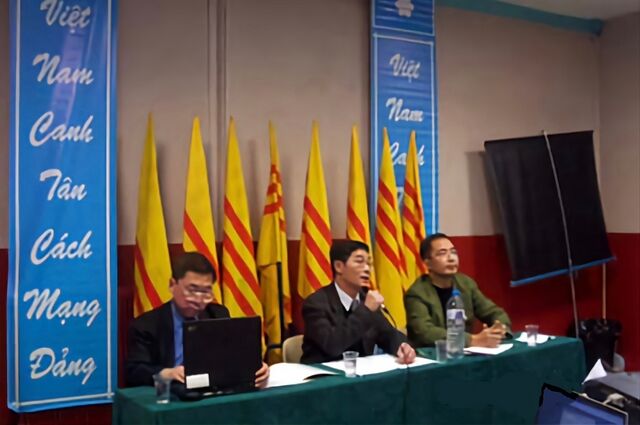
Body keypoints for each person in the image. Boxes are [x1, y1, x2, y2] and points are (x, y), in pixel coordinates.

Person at [125, 252, 269, 387]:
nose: (198, 299)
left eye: (206, 291)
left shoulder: (217, 314)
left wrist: (256, 367)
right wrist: (167, 373)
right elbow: (134, 371)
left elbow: (233, 356)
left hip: (210, 389)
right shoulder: (147, 325)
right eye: (192, 290)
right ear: (172, 285)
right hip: (172, 391)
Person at [301, 240, 416, 364]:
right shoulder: (316, 304)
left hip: (362, 373)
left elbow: (389, 335)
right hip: (323, 373)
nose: (367, 269)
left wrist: (402, 346)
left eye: (369, 263)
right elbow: (332, 345)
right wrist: (365, 310)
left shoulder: (365, 298)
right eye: (359, 262)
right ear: (339, 266)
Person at [405, 233, 511, 348]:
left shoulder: (465, 284)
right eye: (442, 253)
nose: (451, 258)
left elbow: (493, 312)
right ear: (427, 263)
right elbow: (425, 332)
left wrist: (499, 329)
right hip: (432, 353)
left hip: (464, 352)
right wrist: (472, 340)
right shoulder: (416, 294)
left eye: (453, 252)